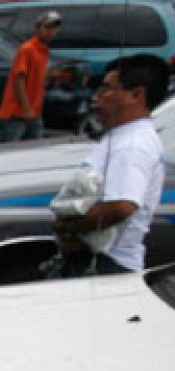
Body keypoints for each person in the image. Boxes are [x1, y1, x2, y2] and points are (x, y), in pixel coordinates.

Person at [50, 54, 170, 277]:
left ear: (136, 95)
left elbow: (121, 207)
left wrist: (70, 229)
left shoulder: (132, 144)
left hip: (104, 266)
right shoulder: (124, 136)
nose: (96, 98)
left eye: (106, 90)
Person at [0, 10, 61, 143]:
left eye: (54, 28)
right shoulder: (27, 49)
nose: (51, 32)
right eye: (47, 27)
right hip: (16, 114)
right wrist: (26, 109)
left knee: (32, 155)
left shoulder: (44, 51)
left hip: (34, 113)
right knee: (7, 154)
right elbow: (18, 79)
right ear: (38, 28)